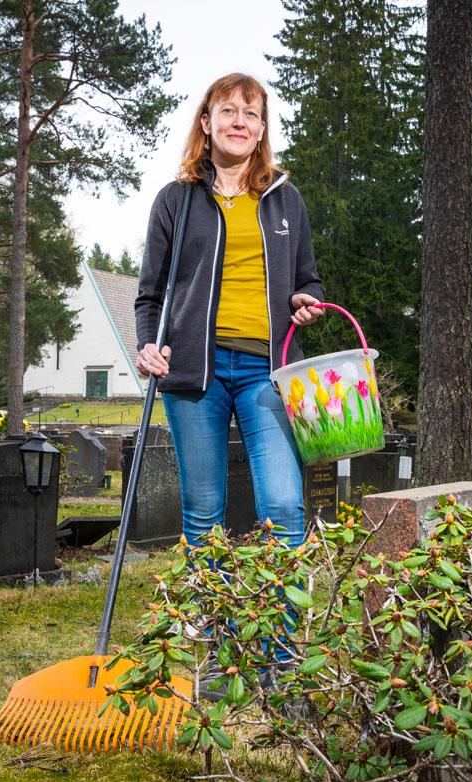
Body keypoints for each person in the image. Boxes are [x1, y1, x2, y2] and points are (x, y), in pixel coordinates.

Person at [134, 72, 325, 560]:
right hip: (197, 372)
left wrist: (305, 301)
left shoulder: (286, 199)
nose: (239, 122)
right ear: (207, 121)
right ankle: (209, 635)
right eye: (228, 111)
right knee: (203, 514)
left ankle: (278, 639)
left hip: (269, 373)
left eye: (251, 114)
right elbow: (150, 295)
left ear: (262, 130)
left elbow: (309, 279)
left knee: (283, 508)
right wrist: (147, 345)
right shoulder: (176, 201)